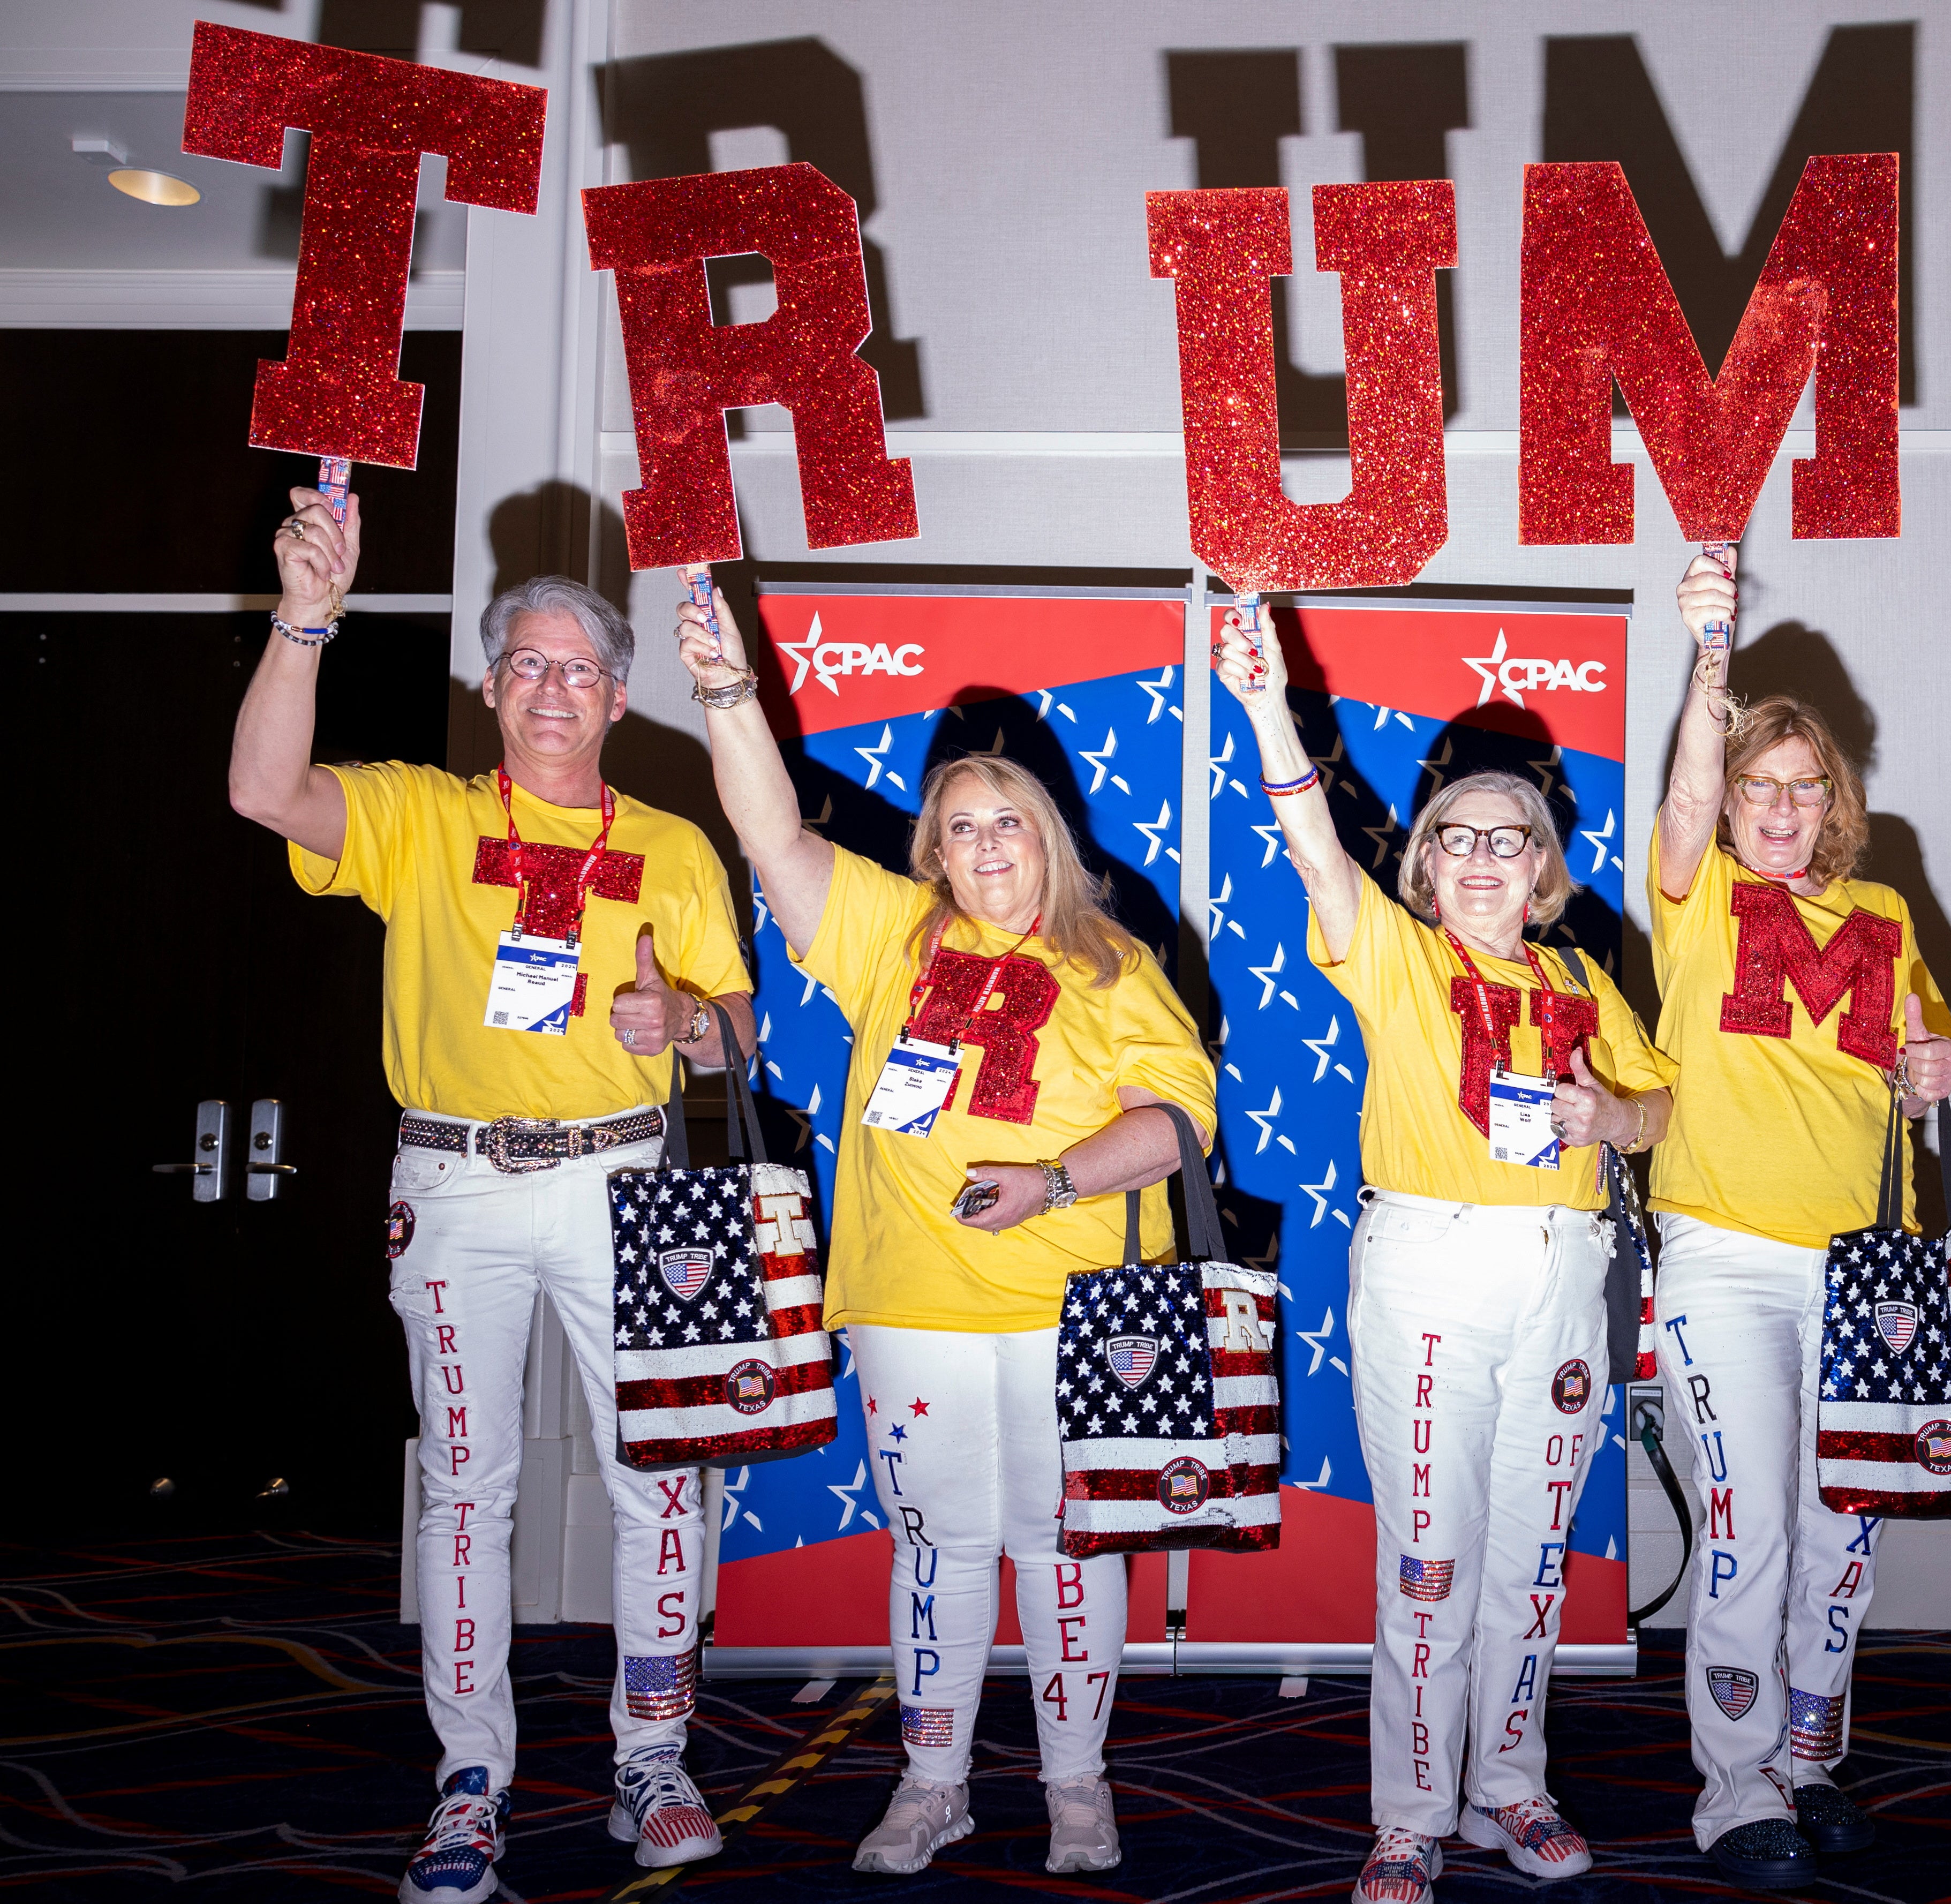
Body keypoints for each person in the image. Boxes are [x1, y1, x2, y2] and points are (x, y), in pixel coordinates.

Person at [229, 496, 756, 1904]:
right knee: (467, 1487)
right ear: (489, 684)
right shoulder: (422, 813)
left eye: (577, 667)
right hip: (458, 1185)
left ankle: (653, 1756)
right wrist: (304, 619)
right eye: (523, 663)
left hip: (621, 1179)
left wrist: (682, 1017)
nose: (549, 687)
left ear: (617, 694)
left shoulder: (673, 841)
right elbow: (266, 794)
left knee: (662, 1474)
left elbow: (739, 1034)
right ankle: (470, 1781)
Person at [675, 577, 1215, 1878]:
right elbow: (766, 829)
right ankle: (934, 1782)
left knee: (1063, 1546)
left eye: (1006, 824)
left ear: (1048, 838)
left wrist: (1056, 1180)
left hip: (1069, 1303)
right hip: (912, 1298)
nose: (983, 845)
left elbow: (1178, 1122)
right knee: (938, 1544)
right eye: (958, 825)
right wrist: (728, 692)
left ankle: (1075, 1786)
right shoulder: (889, 936)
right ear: (933, 850)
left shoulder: (1113, 961)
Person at [1214, 605, 1676, 1904]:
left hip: (1564, 1268)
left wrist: (1611, 1115)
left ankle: (1509, 1784)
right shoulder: (1396, 958)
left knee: (1532, 1550)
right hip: (1428, 1262)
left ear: (1544, 863)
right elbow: (1311, 842)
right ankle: (1410, 1808)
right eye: (1456, 836)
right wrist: (1263, 702)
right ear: (1426, 863)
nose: (1482, 856)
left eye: (1508, 837)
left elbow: (1659, 1109)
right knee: (1429, 1552)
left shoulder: (1588, 979)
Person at [1650, 553, 1951, 1892]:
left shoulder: (1883, 911)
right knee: (1748, 1523)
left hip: (1860, 1266)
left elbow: (1925, 1045)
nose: (1776, 808)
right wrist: (1709, 658)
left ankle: (1809, 1754)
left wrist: (1935, 1061)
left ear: (1834, 797)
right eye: (1754, 785)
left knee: (1843, 1526)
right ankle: (1735, 1781)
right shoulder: (1696, 894)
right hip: (1721, 1252)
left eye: (1803, 784)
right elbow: (1678, 795)